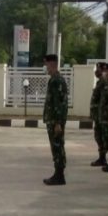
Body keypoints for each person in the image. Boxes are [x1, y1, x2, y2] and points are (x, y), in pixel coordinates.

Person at [42, 54, 68, 185]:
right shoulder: (56, 79)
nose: (45, 67)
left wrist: (58, 122)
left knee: (57, 147)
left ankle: (59, 175)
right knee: (57, 146)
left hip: (55, 121)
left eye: (46, 64)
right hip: (54, 120)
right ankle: (58, 174)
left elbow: (58, 103)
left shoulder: (56, 81)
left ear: (51, 64)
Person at [89, 63, 107, 167]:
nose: (96, 71)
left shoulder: (103, 82)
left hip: (102, 115)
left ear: (103, 70)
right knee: (99, 136)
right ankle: (102, 157)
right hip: (98, 115)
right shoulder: (100, 82)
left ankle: (103, 158)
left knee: (101, 136)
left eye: (98, 69)